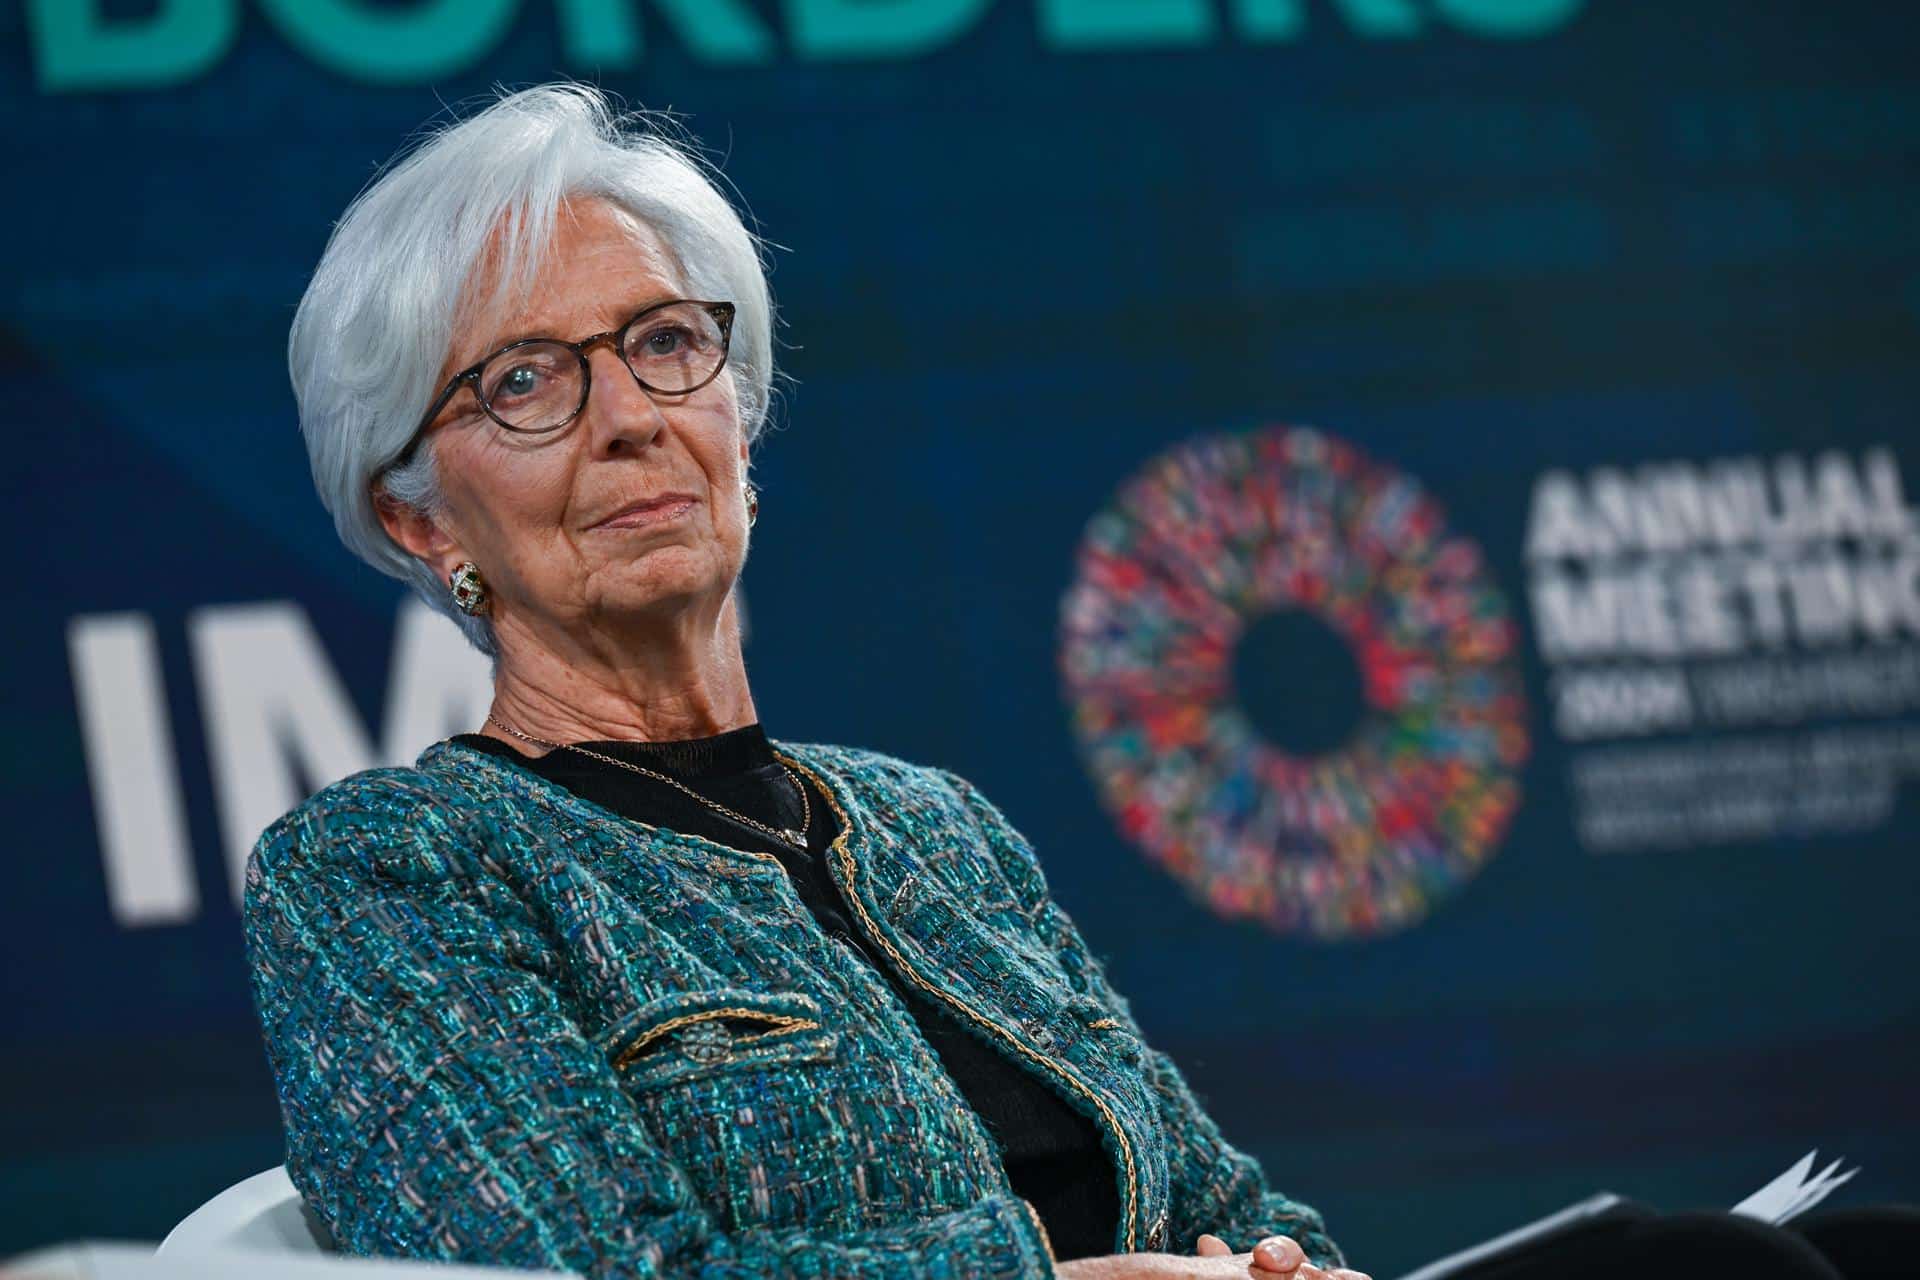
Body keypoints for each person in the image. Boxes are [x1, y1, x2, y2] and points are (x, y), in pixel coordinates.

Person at [247, 81, 1368, 1280]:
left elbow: (1233, 1206)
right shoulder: (392, 870)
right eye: (524, 379)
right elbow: (575, 1271)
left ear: (739, 413)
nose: (630, 416)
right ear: (417, 518)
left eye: (665, 341)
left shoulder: (940, 831)